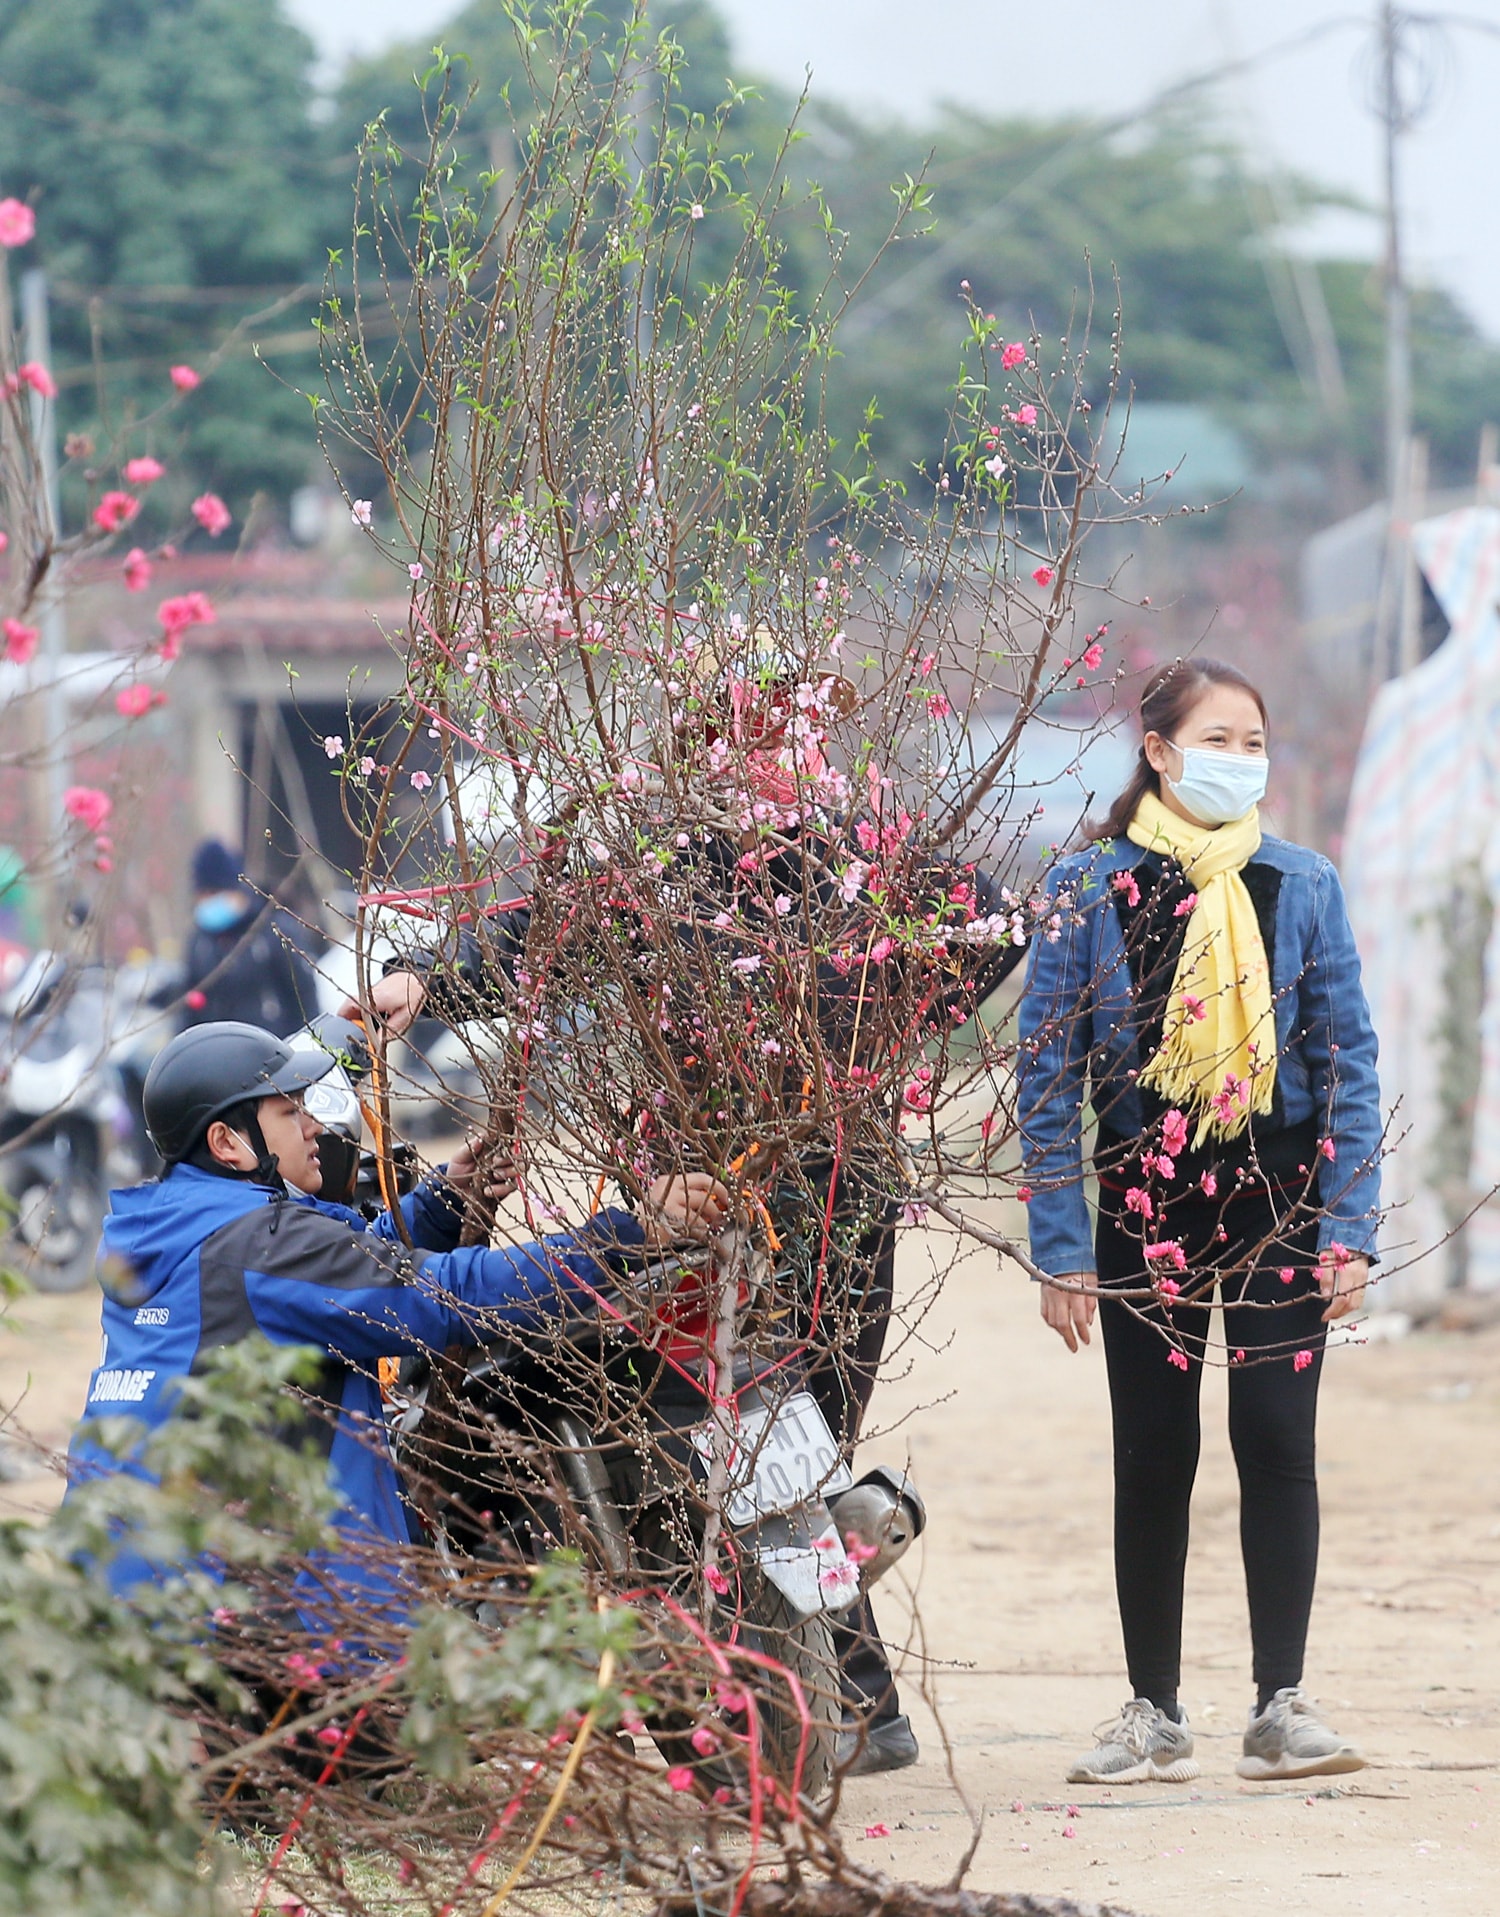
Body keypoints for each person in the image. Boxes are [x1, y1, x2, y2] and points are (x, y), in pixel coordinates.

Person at [341, 669, 1024, 1775]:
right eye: (723, 735)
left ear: (809, 742)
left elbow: (992, 920)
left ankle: (857, 1698)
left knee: (804, 1437)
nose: (748, 755)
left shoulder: (867, 852)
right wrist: (425, 977)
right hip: (696, 1201)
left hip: (833, 1186)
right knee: (739, 1440)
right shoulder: (661, 863)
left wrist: (883, 1021)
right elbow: (537, 934)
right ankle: (852, 1700)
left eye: (773, 732)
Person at [1016, 658, 1381, 1785]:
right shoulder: (1087, 888)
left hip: (1278, 1207)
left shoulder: (1302, 883)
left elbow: (1348, 1059)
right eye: (1220, 739)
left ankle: (1283, 1703)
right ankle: (1152, 1708)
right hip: (1145, 1208)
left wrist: (1348, 1227)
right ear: (1161, 750)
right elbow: (1048, 1077)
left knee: (1278, 1445)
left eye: (1256, 744)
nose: (1243, 761)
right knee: (1155, 1453)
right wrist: (1063, 1250)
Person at [67, 1021, 730, 1609]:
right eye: (287, 1110)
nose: (312, 1126)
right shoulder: (258, 1247)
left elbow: (331, 1276)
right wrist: (622, 1235)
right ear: (228, 1142)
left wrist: (440, 1204)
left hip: (132, 1590)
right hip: (247, 1622)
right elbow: (449, 1298)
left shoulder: (172, 1233)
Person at [181, 840, 316, 1037]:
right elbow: (189, 1010)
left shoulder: (273, 931)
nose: (209, 901)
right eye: (203, 894)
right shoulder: (199, 945)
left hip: (277, 1051)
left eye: (216, 892)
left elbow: (305, 998)